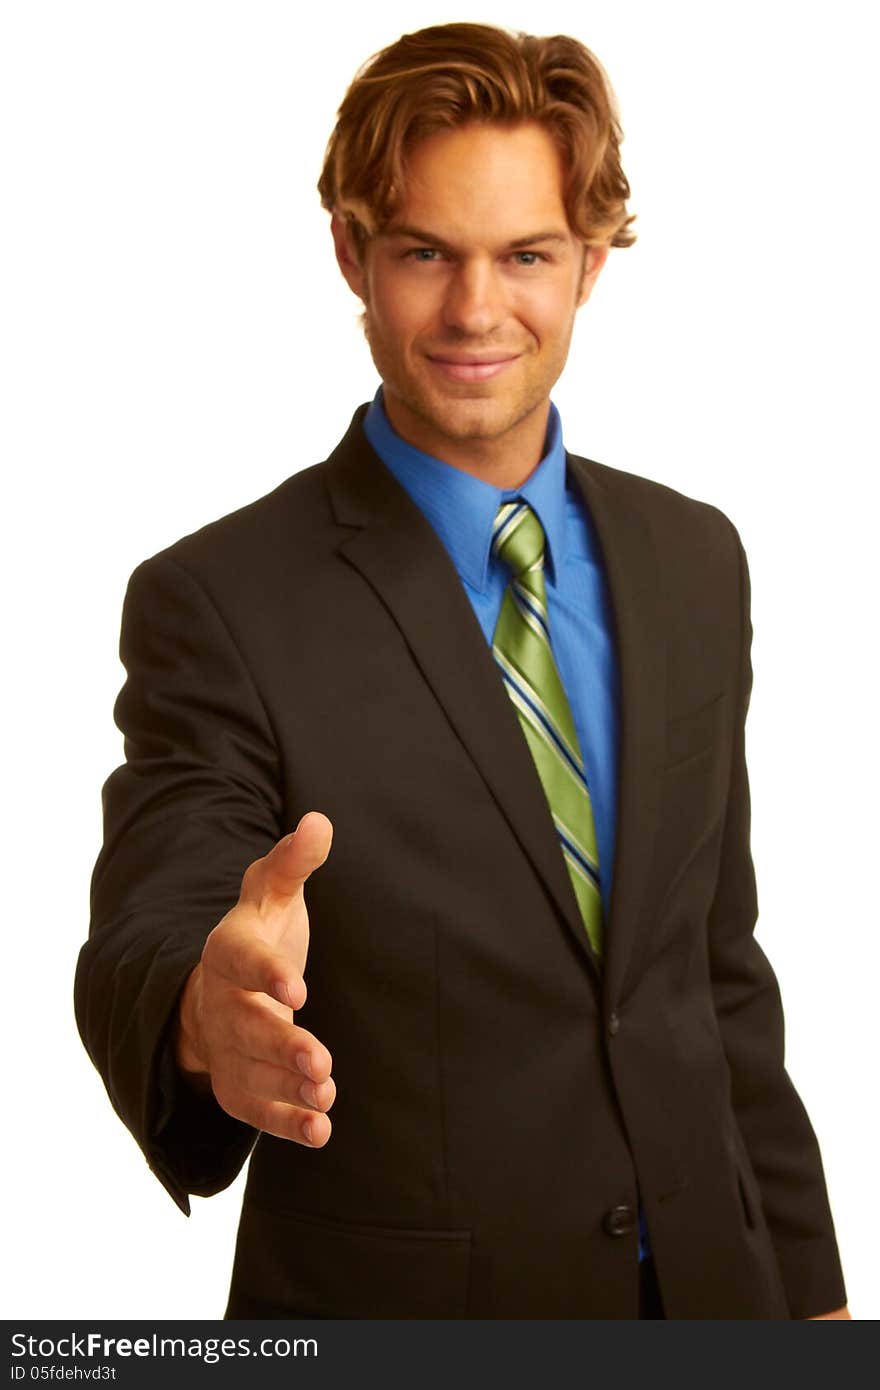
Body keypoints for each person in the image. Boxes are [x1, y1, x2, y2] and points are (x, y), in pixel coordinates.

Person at [75, 22, 850, 1319]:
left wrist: (818, 1303)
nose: (476, 309)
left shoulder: (693, 559)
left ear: (590, 264)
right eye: (426, 252)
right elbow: (166, 888)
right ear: (351, 254)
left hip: (723, 1299)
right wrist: (205, 1008)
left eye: (526, 255)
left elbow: (715, 970)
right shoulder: (220, 600)